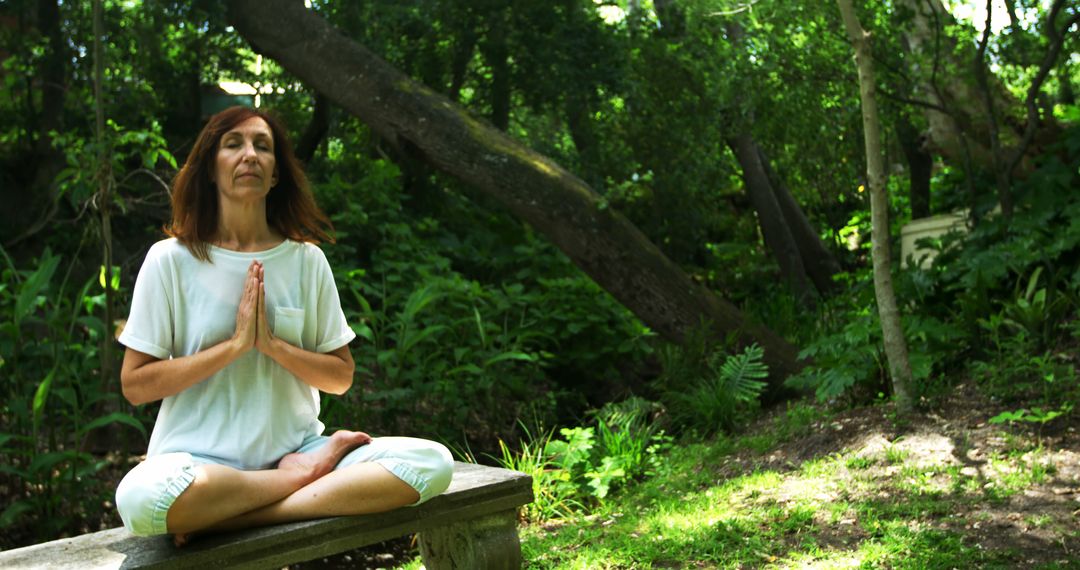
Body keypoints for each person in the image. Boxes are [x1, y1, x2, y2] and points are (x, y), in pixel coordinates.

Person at [115, 106, 453, 545]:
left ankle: (236, 515)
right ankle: (295, 483)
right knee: (140, 499)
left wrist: (273, 346)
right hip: (196, 464)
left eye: (263, 146)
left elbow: (340, 376)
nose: (250, 155)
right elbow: (136, 385)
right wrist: (235, 346)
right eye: (233, 144)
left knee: (432, 462)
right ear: (210, 171)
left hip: (297, 449)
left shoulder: (305, 260)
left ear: (275, 174)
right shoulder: (171, 260)